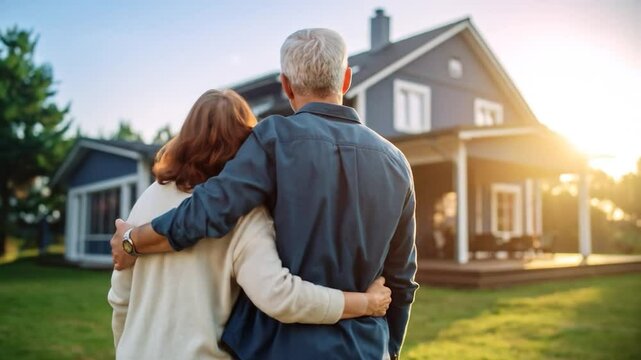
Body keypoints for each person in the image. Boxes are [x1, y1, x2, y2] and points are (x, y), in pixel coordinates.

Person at [111, 28, 418, 359]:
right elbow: (401, 280)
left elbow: (210, 208)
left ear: (285, 85)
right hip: (366, 349)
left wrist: (135, 240)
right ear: (345, 80)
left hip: (286, 348)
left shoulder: (273, 139)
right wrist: (389, 348)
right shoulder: (397, 163)